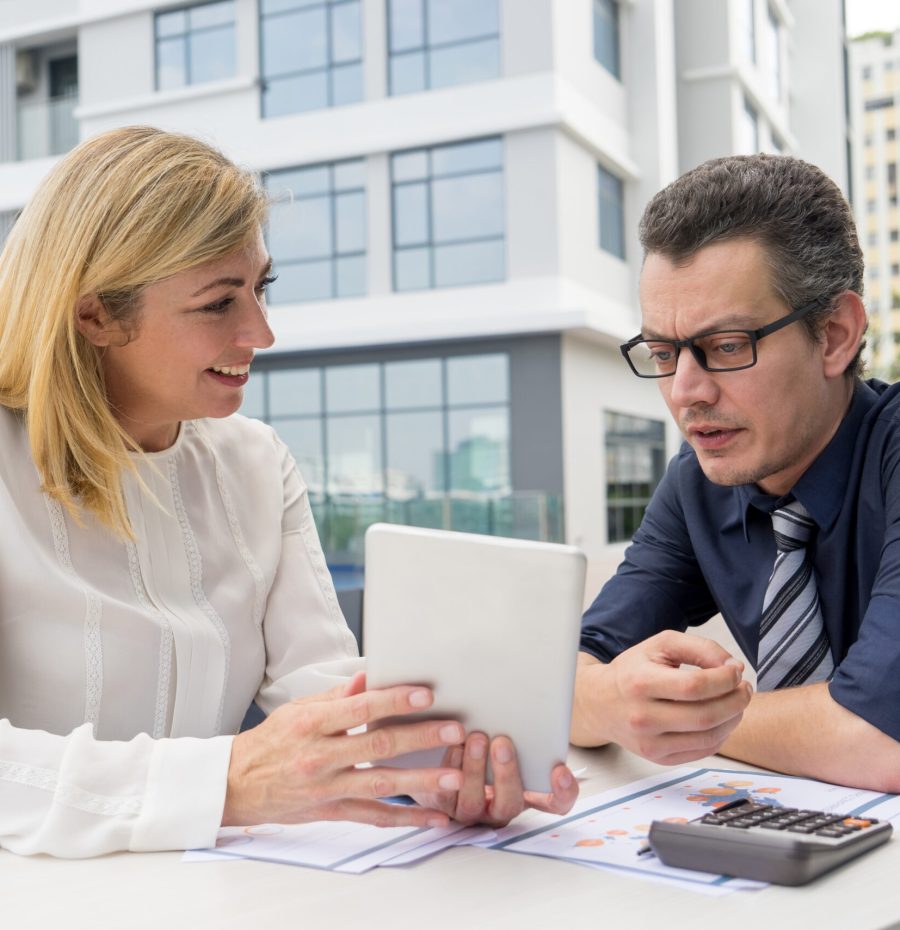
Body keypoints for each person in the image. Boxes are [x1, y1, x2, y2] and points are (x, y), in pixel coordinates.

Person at [0, 126, 577, 858]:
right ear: (96, 316)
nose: (262, 333)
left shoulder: (254, 461)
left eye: (260, 289)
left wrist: (434, 764)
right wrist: (224, 781)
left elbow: (322, 690)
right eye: (218, 303)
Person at [572, 153, 900, 793]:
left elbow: (881, 739)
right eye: (664, 353)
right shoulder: (698, 482)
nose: (686, 393)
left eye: (726, 347)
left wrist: (665, 713)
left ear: (834, 336)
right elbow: (573, 668)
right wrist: (608, 698)